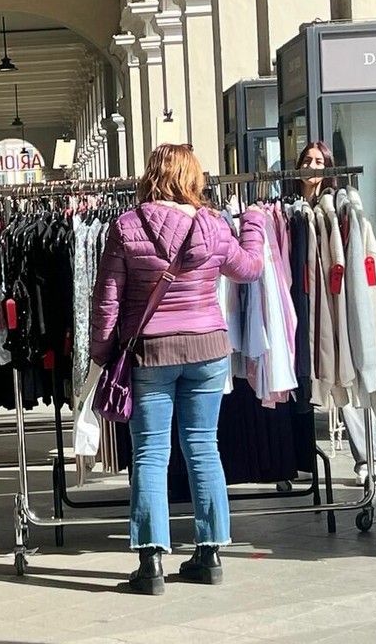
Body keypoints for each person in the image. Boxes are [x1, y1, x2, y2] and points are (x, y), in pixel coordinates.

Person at [90, 143, 265, 595]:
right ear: (193, 178)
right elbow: (249, 269)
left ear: (152, 174)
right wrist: (254, 224)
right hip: (208, 349)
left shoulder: (126, 226)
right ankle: (209, 554)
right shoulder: (213, 225)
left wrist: (103, 354)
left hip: (151, 352)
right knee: (203, 447)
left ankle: (150, 563)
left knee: (150, 453)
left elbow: (107, 299)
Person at [296, 141, 376, 485]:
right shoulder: (293, 208)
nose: (312, 166)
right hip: (303, 303)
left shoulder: (338, 210)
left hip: (336, 303)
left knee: (346, 379)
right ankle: (293, 460)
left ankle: (372, 458)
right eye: (307, 160)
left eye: (319, 161)